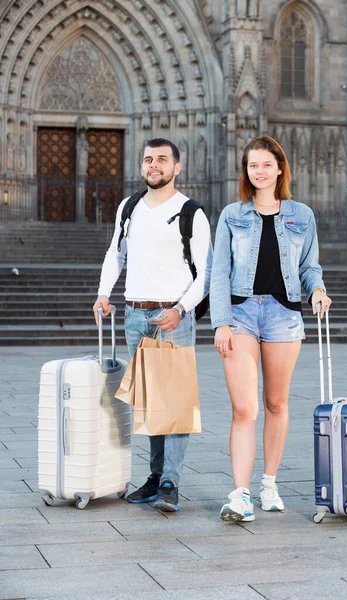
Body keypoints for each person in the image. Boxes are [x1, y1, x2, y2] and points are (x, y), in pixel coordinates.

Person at [210, 135, 332, 522]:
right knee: (244, 408)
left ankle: (269, 484)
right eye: (252, 165)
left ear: (280, 167)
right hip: (241, 315)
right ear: (245, 171)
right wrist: (221, 322)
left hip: (284, 315)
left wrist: (318, 290)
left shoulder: (302, 215)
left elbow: (309, 266)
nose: (259, 171)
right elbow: (218, 274)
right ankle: (240, 495)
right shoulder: (231, 215)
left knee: (276, 404)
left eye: (266, 164)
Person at [93, 138, 212, 512]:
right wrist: (103, 294)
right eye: (148, 159)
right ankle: (155, 475)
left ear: (177, 167)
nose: (154, 165)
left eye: (162, 159)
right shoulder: (129, 207)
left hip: (170, 317)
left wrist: (181, 309)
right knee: (149, 403)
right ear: (142, 167)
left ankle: (170, 483)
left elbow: (206, 273)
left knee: (174, 403)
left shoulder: (191, 212)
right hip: (134, 315)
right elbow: (116, 253)